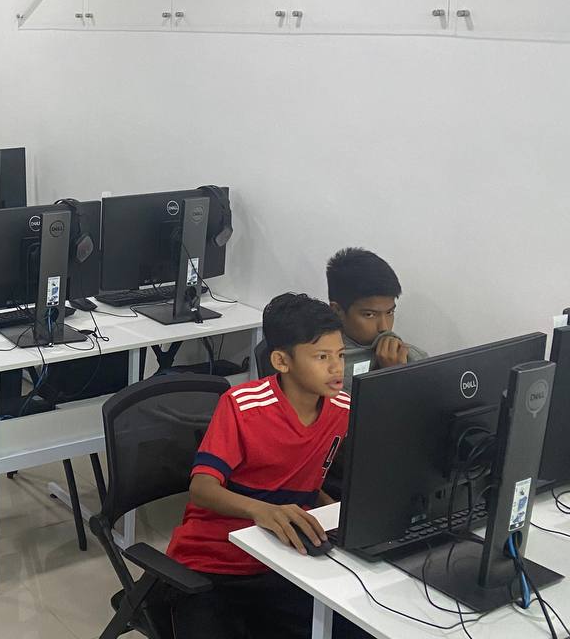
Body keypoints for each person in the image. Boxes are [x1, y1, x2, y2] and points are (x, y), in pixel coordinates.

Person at [166, 293, 359, 639]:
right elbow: (202, 488)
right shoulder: (242, 405)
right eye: (322, 357)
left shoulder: (342, 409)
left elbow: (303, 474)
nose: (336, 368)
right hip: (214, 562)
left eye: (340, 355)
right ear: (282, 361)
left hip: (285, 561)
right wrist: (262, 510)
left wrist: (334, 510)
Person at [327, 247, 426, 386]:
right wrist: (389, 378)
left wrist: (398, 374)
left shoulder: (411, 357)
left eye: (390, 312)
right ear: (337, 311)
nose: (384, 327)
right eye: (369, 315)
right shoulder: (322, 365)